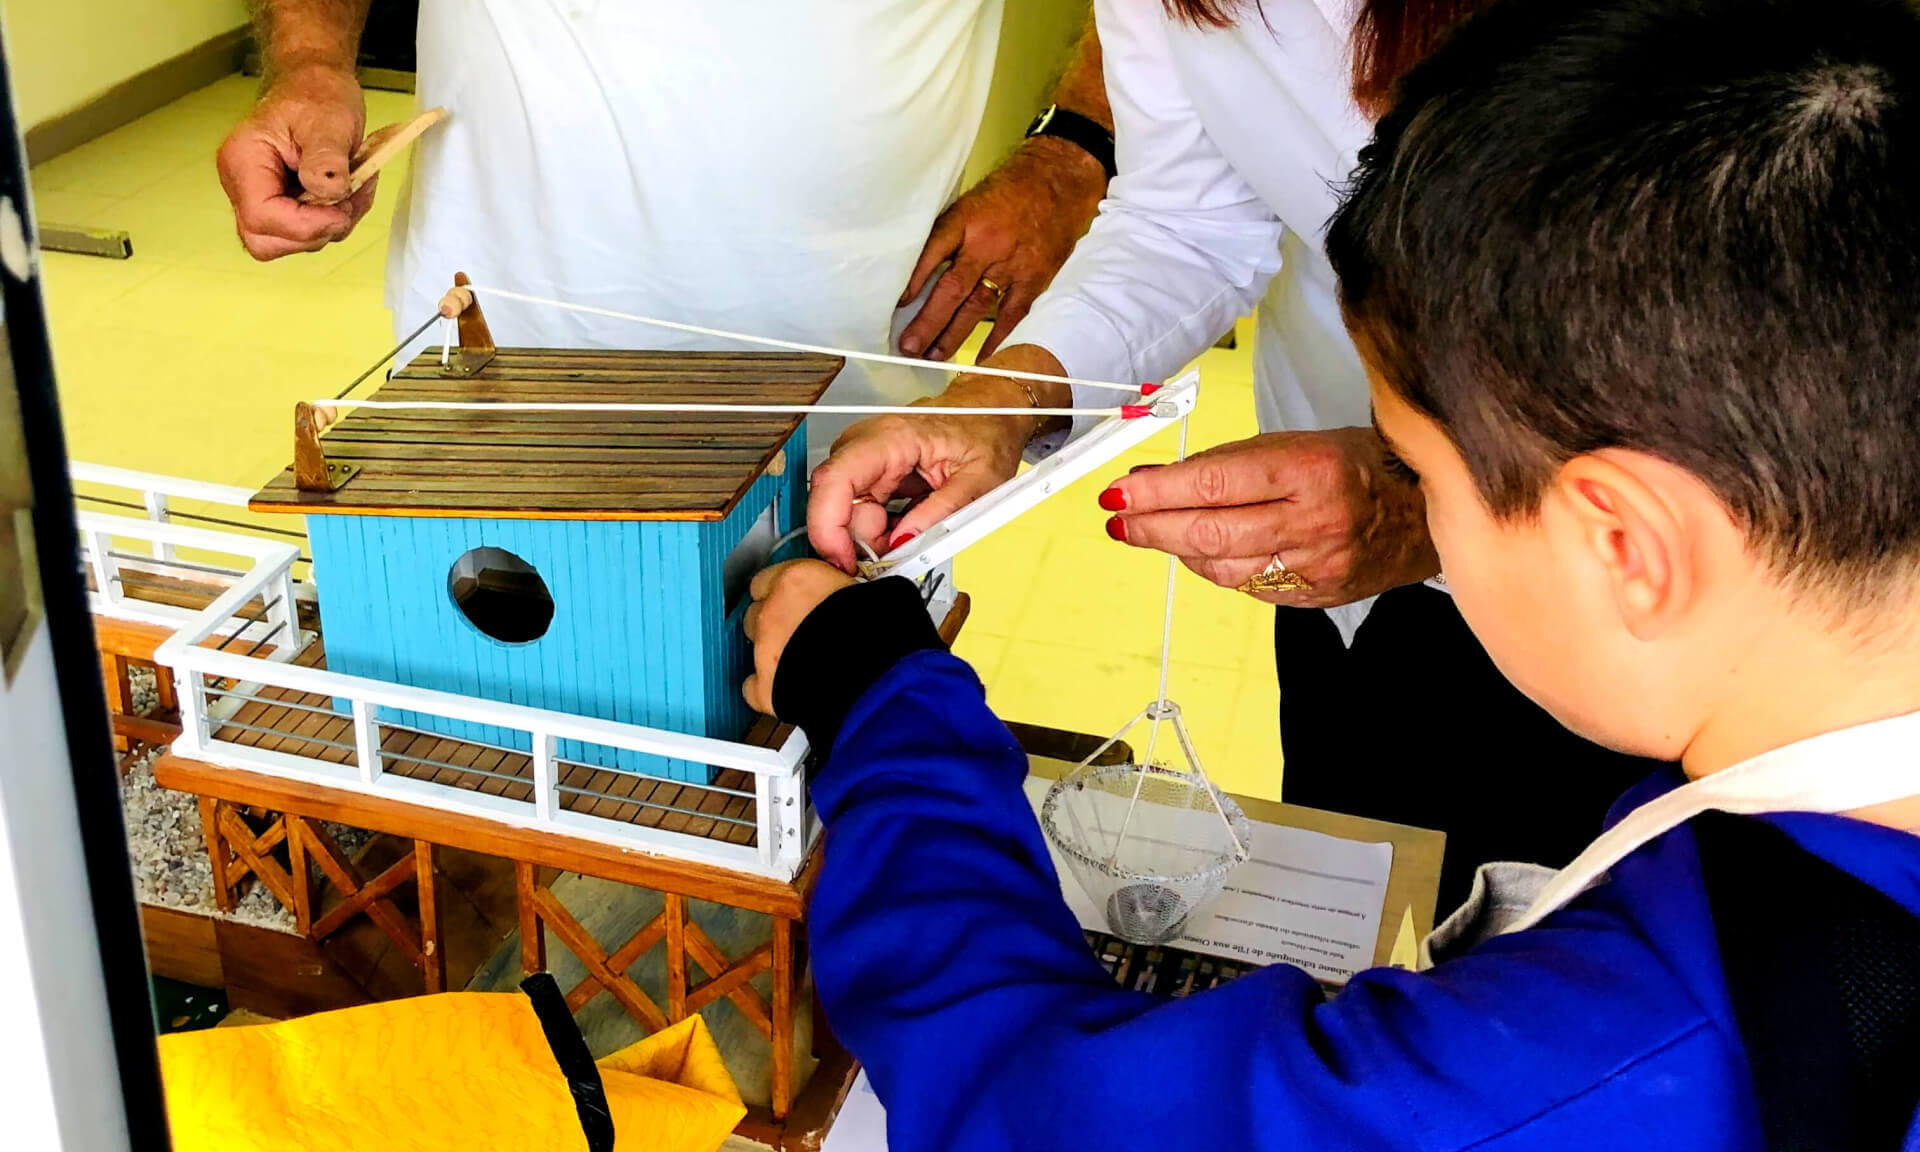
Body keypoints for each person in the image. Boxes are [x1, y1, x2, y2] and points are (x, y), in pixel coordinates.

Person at [745, 0, 1920, 1146]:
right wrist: (1006, 406)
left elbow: (1032, 1108)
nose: (1414, 515)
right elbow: (1188, 217)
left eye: (1419, 472)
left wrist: (882, 704)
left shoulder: (1614, 1046)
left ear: (1625, 544)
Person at [809, 0, 1657, 911]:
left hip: (1628, 588)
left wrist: (1429, 502)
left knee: (1567, 940)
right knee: (1364, 882)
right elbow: (1188, 220)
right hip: (1333, 552)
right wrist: (998, 404)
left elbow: (1735, 340)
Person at [213, 0, 1112, 462]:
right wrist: (311, 59)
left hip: (843, 354)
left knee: (813, 762)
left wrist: (1076, 150)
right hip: (494, 333)